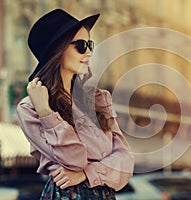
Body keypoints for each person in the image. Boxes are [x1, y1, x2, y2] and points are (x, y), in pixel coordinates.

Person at [16, 9, 134, 199]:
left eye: (89, 44)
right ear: (57, 50)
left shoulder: (99, 99)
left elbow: (126, 162)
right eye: (80, 45)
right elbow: (75, 159)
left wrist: (88, 173)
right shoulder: (30, 108)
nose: (88, 52)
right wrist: (46, 113)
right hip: (68, 195)